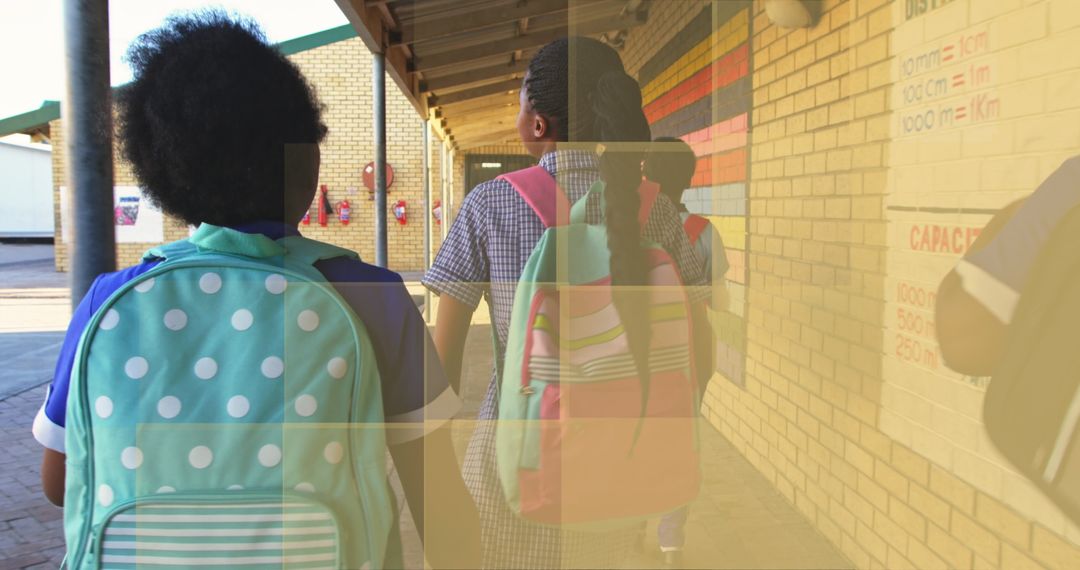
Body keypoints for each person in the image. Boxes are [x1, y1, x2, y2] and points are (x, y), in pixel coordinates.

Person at [30, 13, 479, 569]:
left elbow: (60, 479)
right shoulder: (373, 296)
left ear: (164, 175)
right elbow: (437, 498)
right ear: (308, 160)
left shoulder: (111, 299)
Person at [423, 36, 709, 569]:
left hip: (510, 470)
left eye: (520, 103)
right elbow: (702, 352)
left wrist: (435, 488)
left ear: (538, 123)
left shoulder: (490, 203)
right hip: (619, 476)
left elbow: (442, 371)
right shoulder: (656, 210)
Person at [642, 136, 731, 567]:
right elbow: (721, 299)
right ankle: (671, 539)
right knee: (682, 444)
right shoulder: (703, 231)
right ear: (689, 180)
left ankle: (631, 524)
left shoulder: (632, 224)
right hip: (691, 356)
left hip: (641, 356)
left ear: (645, 174)